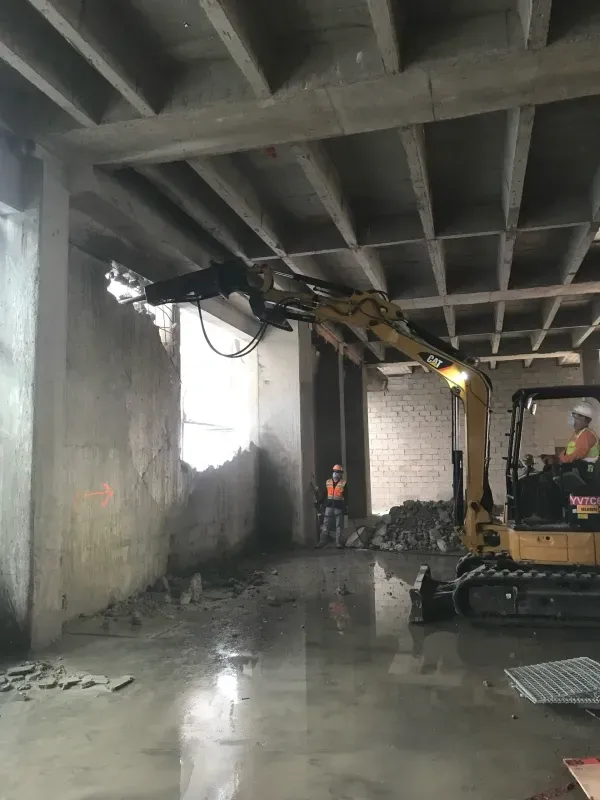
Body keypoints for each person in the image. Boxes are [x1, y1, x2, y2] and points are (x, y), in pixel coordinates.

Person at [316, 464, 347, 549]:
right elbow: (324, 494)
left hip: (339, 507)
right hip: (329, 506)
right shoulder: (328, 482)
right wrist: (320, 502)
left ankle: (338, 543)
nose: (336, 473)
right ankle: (322, 542)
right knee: (325, 525)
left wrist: (346, 507)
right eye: (335, 471)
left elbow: (347, 497)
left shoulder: (343, 483)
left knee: (339, 526)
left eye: (338, 472)